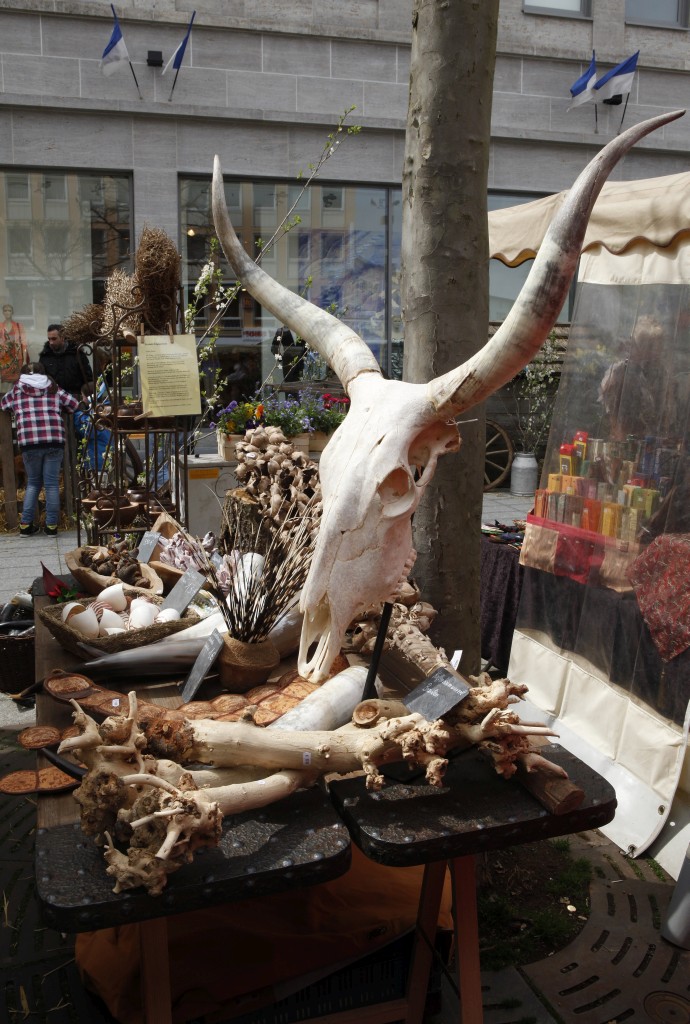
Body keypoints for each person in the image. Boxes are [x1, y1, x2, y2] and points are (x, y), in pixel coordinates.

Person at [0, 362, 79, 536]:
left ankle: (25, 525)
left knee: (33, 483)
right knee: (51, 484)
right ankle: (51, 526)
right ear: (44, 373)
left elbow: (3, 404)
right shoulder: (53, 388)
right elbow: (74, 404)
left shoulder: (17, 390)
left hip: (29, 443)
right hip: (53, 441)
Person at [39, 323, 92, 399]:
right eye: (49, 339)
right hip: (53, 399)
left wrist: (85, 396)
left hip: (76, 398)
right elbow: (40, 380)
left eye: (54, 339)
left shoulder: (77, 354)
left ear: (62, 338)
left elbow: (88, 379)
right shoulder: (45, 356)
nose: (51, 342)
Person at [0, 303, 29, 392]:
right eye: (5, 310)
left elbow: (24, 343)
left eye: (9, 310)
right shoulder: (0, 326)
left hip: (17, 358)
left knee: (17, 381)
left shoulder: (19, 326)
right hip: (4, 359)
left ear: (12, 312)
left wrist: (24, 360)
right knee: (4, 382)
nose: (7, 312)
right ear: (3, 312)